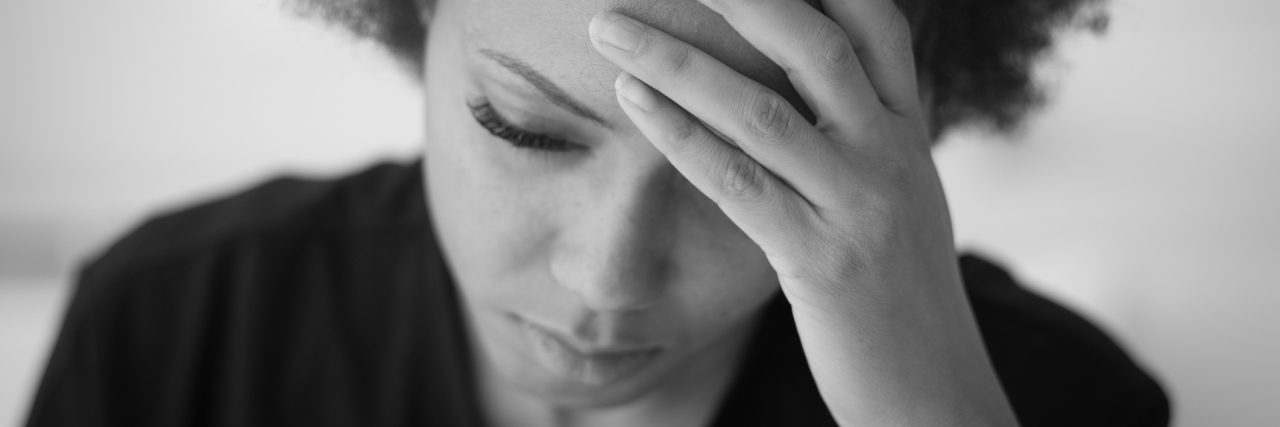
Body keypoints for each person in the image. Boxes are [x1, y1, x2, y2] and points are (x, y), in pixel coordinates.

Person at [26, 0, 1170, 426]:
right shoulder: (173, 327)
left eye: (744, 175)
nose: (605, 278)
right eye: (525, 130)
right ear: (412, 25)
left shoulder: (1054, 400)